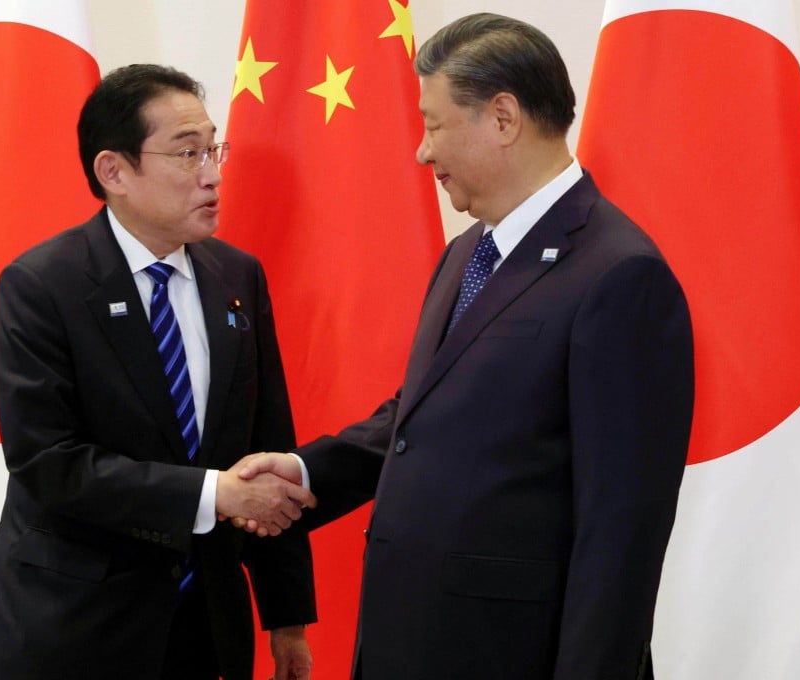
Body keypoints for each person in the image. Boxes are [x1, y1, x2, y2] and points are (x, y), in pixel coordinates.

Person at [236, 13, 694, 680]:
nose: (422, 152)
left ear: (502, 118)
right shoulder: (466, 254)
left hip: (510, 654)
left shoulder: (619, 273)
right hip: (411, 639)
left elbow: (620, 532)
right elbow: (420, 417)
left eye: (434, 123)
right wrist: (307, 476)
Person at [0, 64, 317, 680]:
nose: (212, 174)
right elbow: (50, 464)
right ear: (114, 171)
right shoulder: (42, 286)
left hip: (205, 628)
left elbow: (269, 446)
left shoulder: (237, 277)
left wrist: (287, 621)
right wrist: (215, 494)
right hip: (73, 629)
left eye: (214, 149)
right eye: (187, 153)